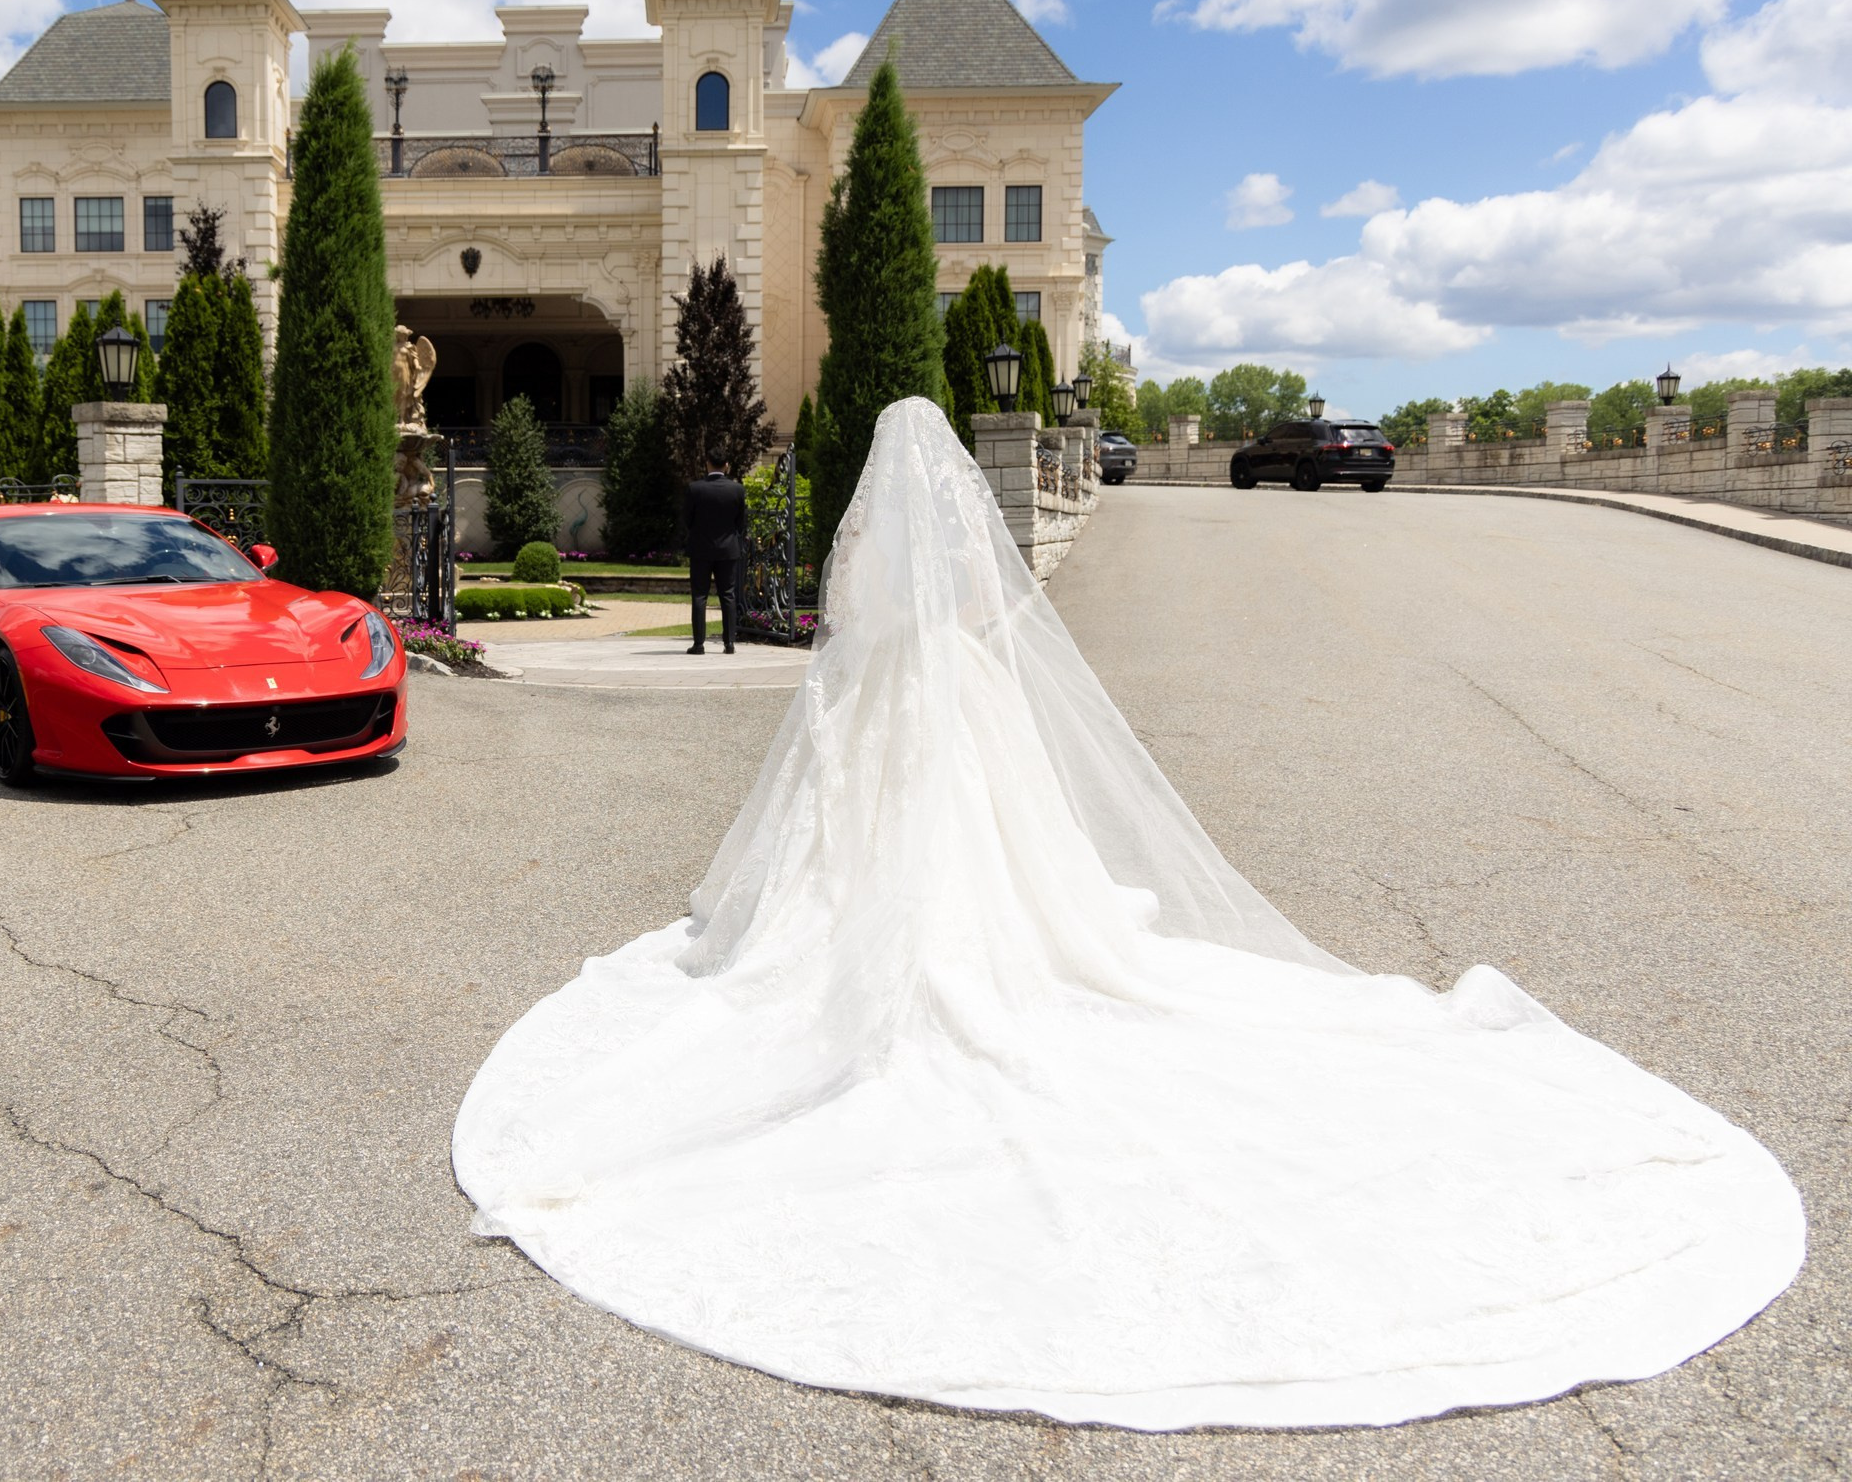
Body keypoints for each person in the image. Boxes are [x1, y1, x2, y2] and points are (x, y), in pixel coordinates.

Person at [453, 397, 1801, 1431]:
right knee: (1007, 852)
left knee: (859, 851)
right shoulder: (964, 552)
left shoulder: (863, 540)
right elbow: (986, 621)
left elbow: (847, 632)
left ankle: (887, 948)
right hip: (964, 714)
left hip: (873, 718)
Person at [682, 456, 748, 654]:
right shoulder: (737, 490)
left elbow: (687, 519)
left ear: (707, 464)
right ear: (727, 465)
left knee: (699, 595)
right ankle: (729, 643)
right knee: (728, 595)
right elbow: (741, 523)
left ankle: (699, 644)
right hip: (728, 550)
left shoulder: (695, 489)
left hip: (701, 549)